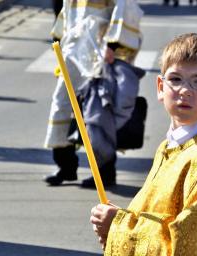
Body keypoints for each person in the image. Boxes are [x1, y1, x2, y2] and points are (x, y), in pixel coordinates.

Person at [90, 33, 197, 255]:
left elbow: (189, 245)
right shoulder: (171, 146)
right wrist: (120, 222)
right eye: (175, 79)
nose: (185, 90)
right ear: (160, 87)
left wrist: (119, 228)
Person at [43, 0, 143, 188]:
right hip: (73, 52)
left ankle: (105, 171)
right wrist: (58, 44)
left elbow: (126, 10)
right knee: (61, 105)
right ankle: (66, 166)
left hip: (100, 52)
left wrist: (112, 46)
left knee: (98, 111)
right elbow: (66, 14)